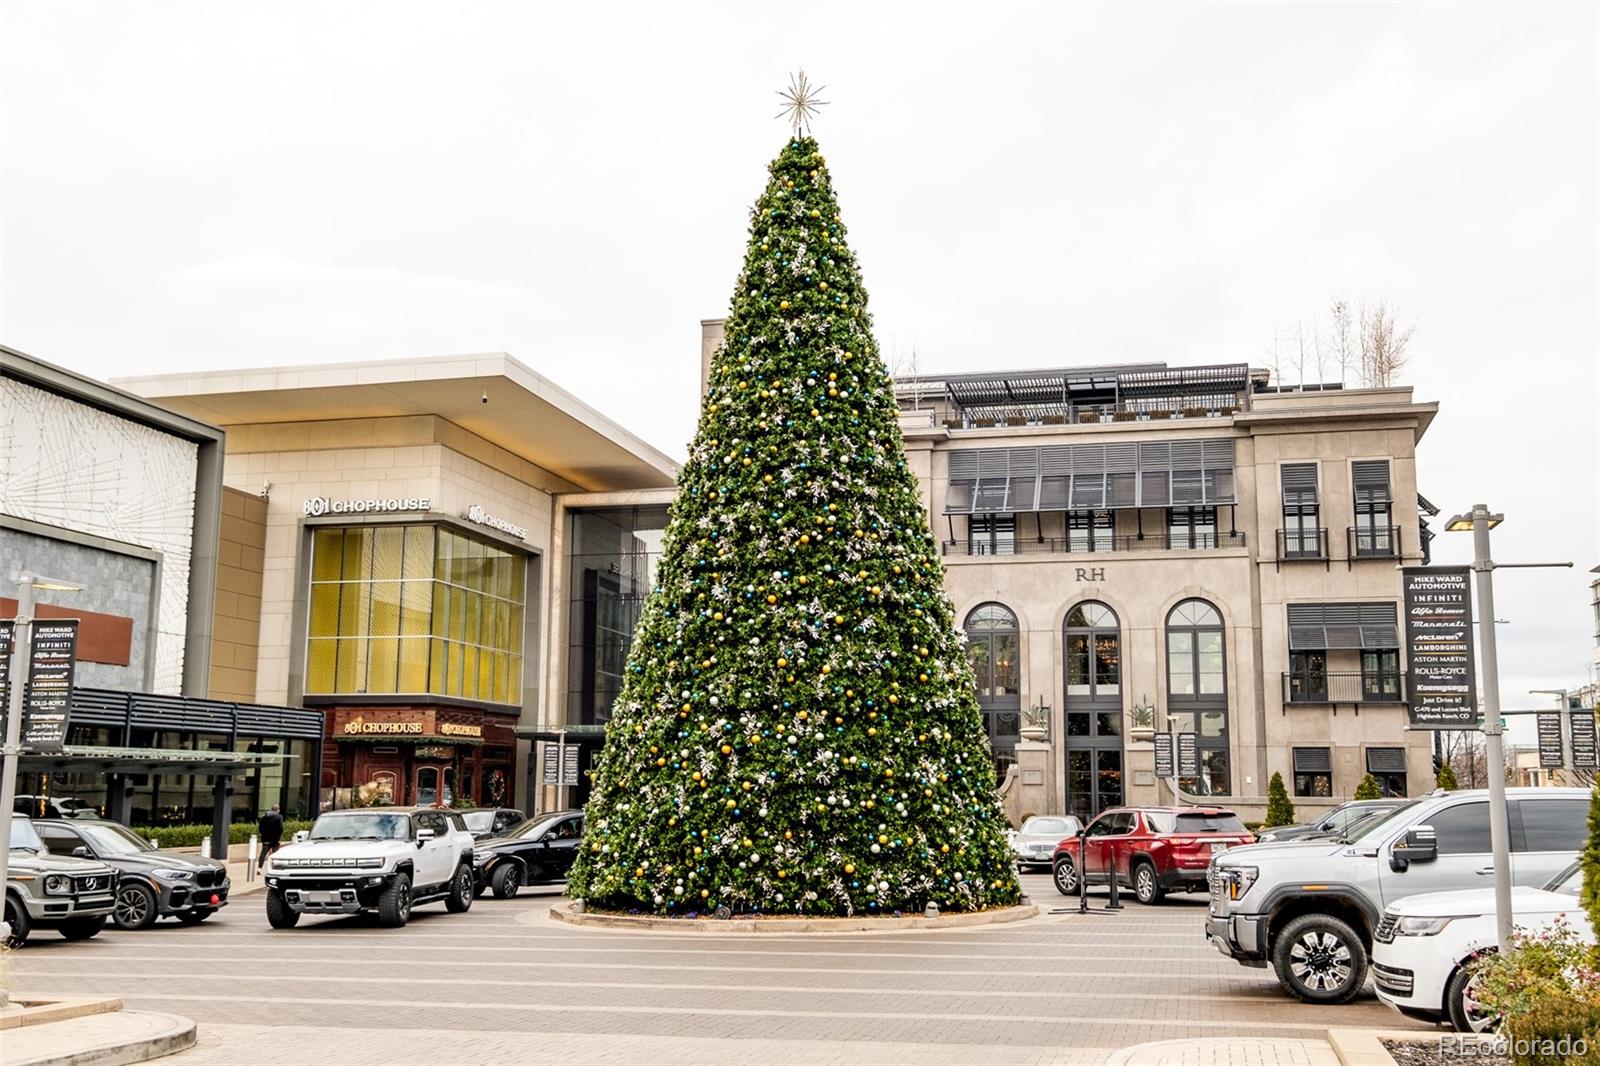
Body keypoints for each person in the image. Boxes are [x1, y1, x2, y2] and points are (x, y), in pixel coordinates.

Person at [257, 804, 284, 869]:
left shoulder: (265, 816)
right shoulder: (279, 817)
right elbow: (280, 828)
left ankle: (259, 868)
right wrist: (279, 837)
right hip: (275, 839)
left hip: (265, 839)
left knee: (263, 853)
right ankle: (273, 867)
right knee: (275, 853)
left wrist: (263, 834)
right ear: (278, 810)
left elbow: (260, 827)